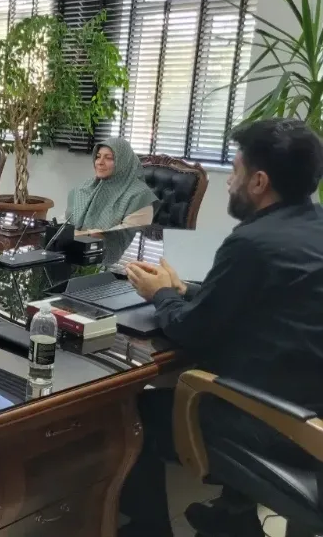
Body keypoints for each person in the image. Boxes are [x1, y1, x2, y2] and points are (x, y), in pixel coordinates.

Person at [119, 118, 323, 537]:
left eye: (235, 170)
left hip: (282, 425)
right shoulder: (313, 225)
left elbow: (191, 331)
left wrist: (161, 294)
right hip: (312, 405)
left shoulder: (252, 243)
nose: (229, 182)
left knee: (133, 412)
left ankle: (150, 529)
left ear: (259, 182)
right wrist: (185, 289)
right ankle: (233, 517)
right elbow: (264, 301)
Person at [66, 138, 157, 234]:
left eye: (108, 158)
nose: (100, 162)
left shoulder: (140, 196)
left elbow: (122, 235)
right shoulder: (88, 186)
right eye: (98, 157)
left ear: (123, 162)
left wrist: (74, 235)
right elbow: (67, 221)